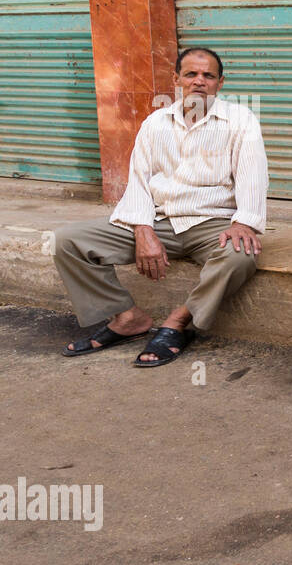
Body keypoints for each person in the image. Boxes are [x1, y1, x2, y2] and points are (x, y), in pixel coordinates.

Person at [55, 47, 266, 366]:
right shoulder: (156, 123)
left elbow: (254, 176)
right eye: (191, 74)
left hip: (213, 223)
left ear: (220, 83)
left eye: (208, 75)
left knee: (240, 257)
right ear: (176, 79)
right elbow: (138, 180)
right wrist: (143, 229)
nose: (199, 81)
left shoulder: (241, 120)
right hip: (160, 219)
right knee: (67, 240)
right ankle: (128, 318)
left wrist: (244, 223)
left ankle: (179, 321)